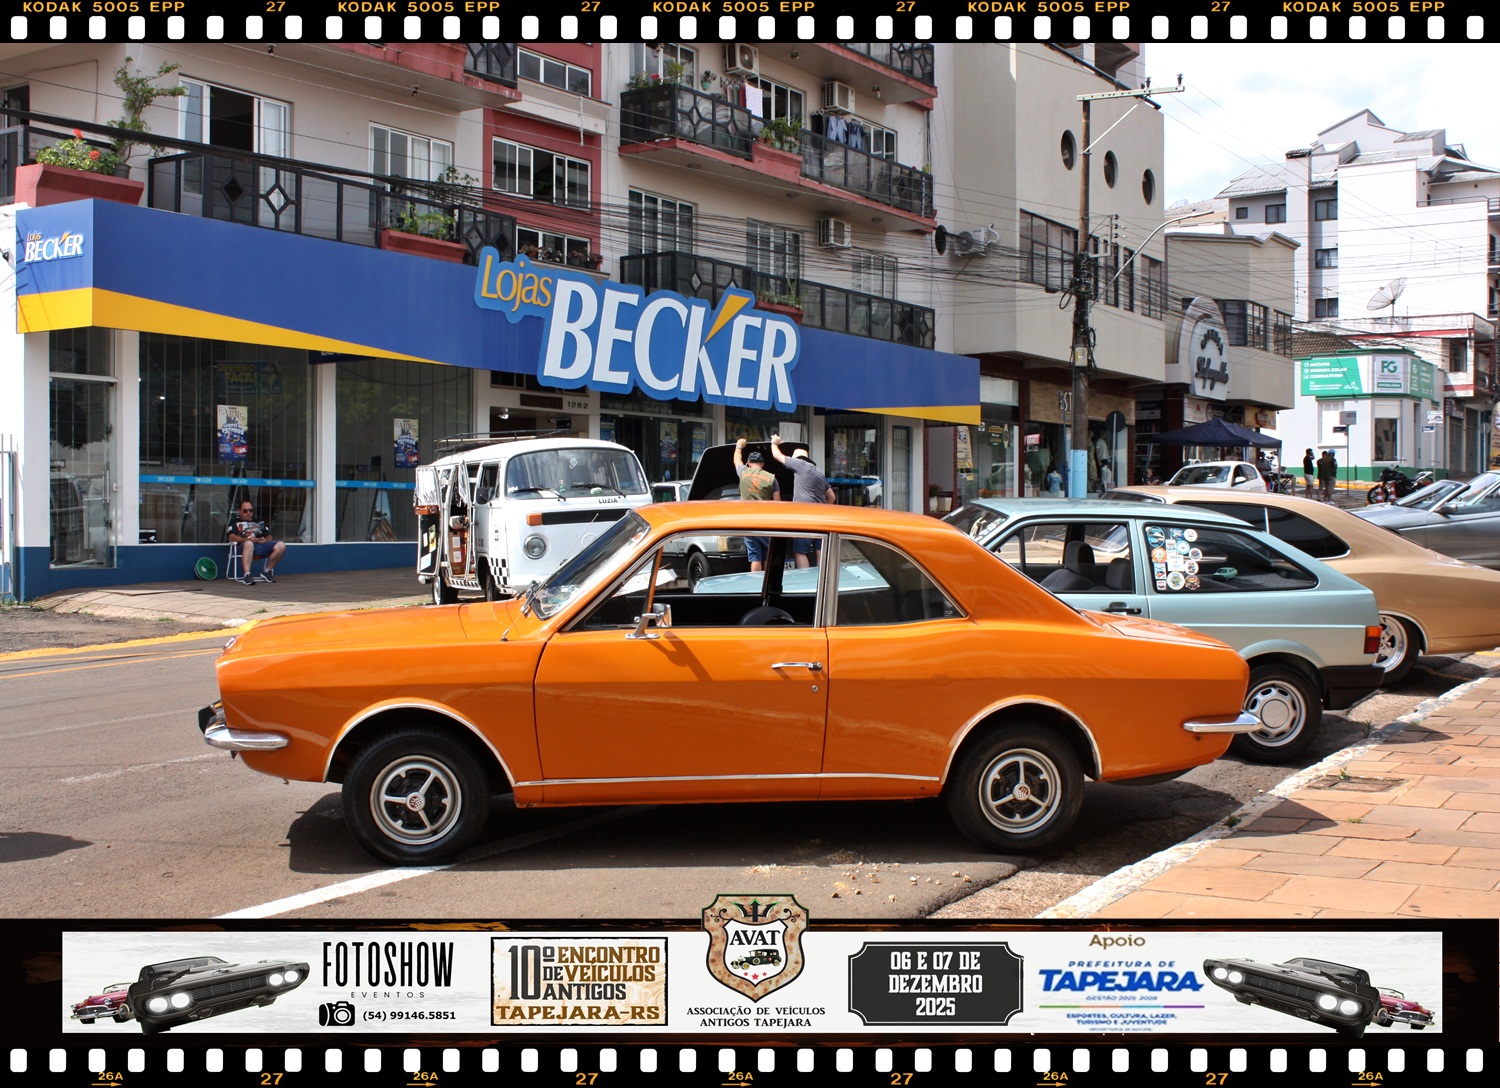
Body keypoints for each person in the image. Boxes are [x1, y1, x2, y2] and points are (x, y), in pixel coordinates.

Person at [770, 435, 834, 568]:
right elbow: (831, 497)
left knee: (800, 551)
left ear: (797, 459)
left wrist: (774, 443)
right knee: (819, 550)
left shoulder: (800, 464)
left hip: (806, 517)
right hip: (821, 518)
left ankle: (805, 577)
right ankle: (820, 577)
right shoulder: (818, 472)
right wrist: (823, 509)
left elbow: (777, 455)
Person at [733, 439, 780, 572]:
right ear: (762, 464)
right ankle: (768, 582)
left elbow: (737, 460)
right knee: (767, 556)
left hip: (748, 522)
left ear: (748, 463)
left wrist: (739, 446)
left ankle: (756, 582)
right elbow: (778, 503)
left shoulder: (743, 472)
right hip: (766, 523)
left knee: (755, 557)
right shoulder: (771, 478)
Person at [228, 500, 286, 585]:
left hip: (260, 546)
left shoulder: (259, 522)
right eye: (245, 511)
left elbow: (269, 536)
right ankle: (247, 575)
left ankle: (267, 571)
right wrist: (247, 540)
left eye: (251, 510)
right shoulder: (234, 522)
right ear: (239, 511)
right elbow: (232, 536)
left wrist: (265, 540)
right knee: (249, 543)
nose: (248, 513)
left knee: (281, 545)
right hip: (243, 548)